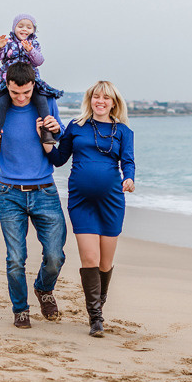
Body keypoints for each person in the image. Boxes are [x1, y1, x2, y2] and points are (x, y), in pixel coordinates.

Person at [0, 62, 67, 329]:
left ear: (33, 85)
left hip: (45, 191)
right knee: (15, 259)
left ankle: (43, 288)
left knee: (55, 256)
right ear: (7, 86)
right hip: (9, 193)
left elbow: (61, 135)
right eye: (15, 93)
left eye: (26, 92)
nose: (22, 98)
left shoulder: (47, 103)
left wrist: (56, 128)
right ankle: (20, 310)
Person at [42, 81, 135, 337]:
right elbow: (59, 159)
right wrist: (46, 142)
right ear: (90, 99)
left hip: (111, 202)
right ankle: (95, 319)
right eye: (96, 96)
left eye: (106, 98)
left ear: (113, 103)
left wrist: (129, 178)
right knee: (90, 259)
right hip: (81, 201)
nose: (100, 101)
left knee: (105, 263)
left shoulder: (124, 131)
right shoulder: (76, 126)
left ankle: (98, 305)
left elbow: (128, 161)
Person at [0, 13, 63, 152]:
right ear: (14, 28)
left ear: (34, 30)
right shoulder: (8, 42)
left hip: (30, 79)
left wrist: (30, 51)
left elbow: (39, 61)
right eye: (20, 26)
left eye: (29, 27)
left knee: (41, 100)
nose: (24, 29)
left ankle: (47, 132)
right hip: (8, 79)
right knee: (1, 102)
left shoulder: (34, 44)